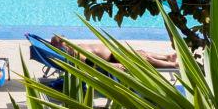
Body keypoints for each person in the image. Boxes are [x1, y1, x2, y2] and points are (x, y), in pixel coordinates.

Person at [49, 34, 178, 70]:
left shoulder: (75, 48)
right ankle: (172, 64)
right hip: (114, 59)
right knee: (145, 58)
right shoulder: (76, 54)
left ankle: (167, 57)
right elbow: (93, 64)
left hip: (115, 53)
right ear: (63, 45)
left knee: (141, 52)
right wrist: (114, 66)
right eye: (65, 42)